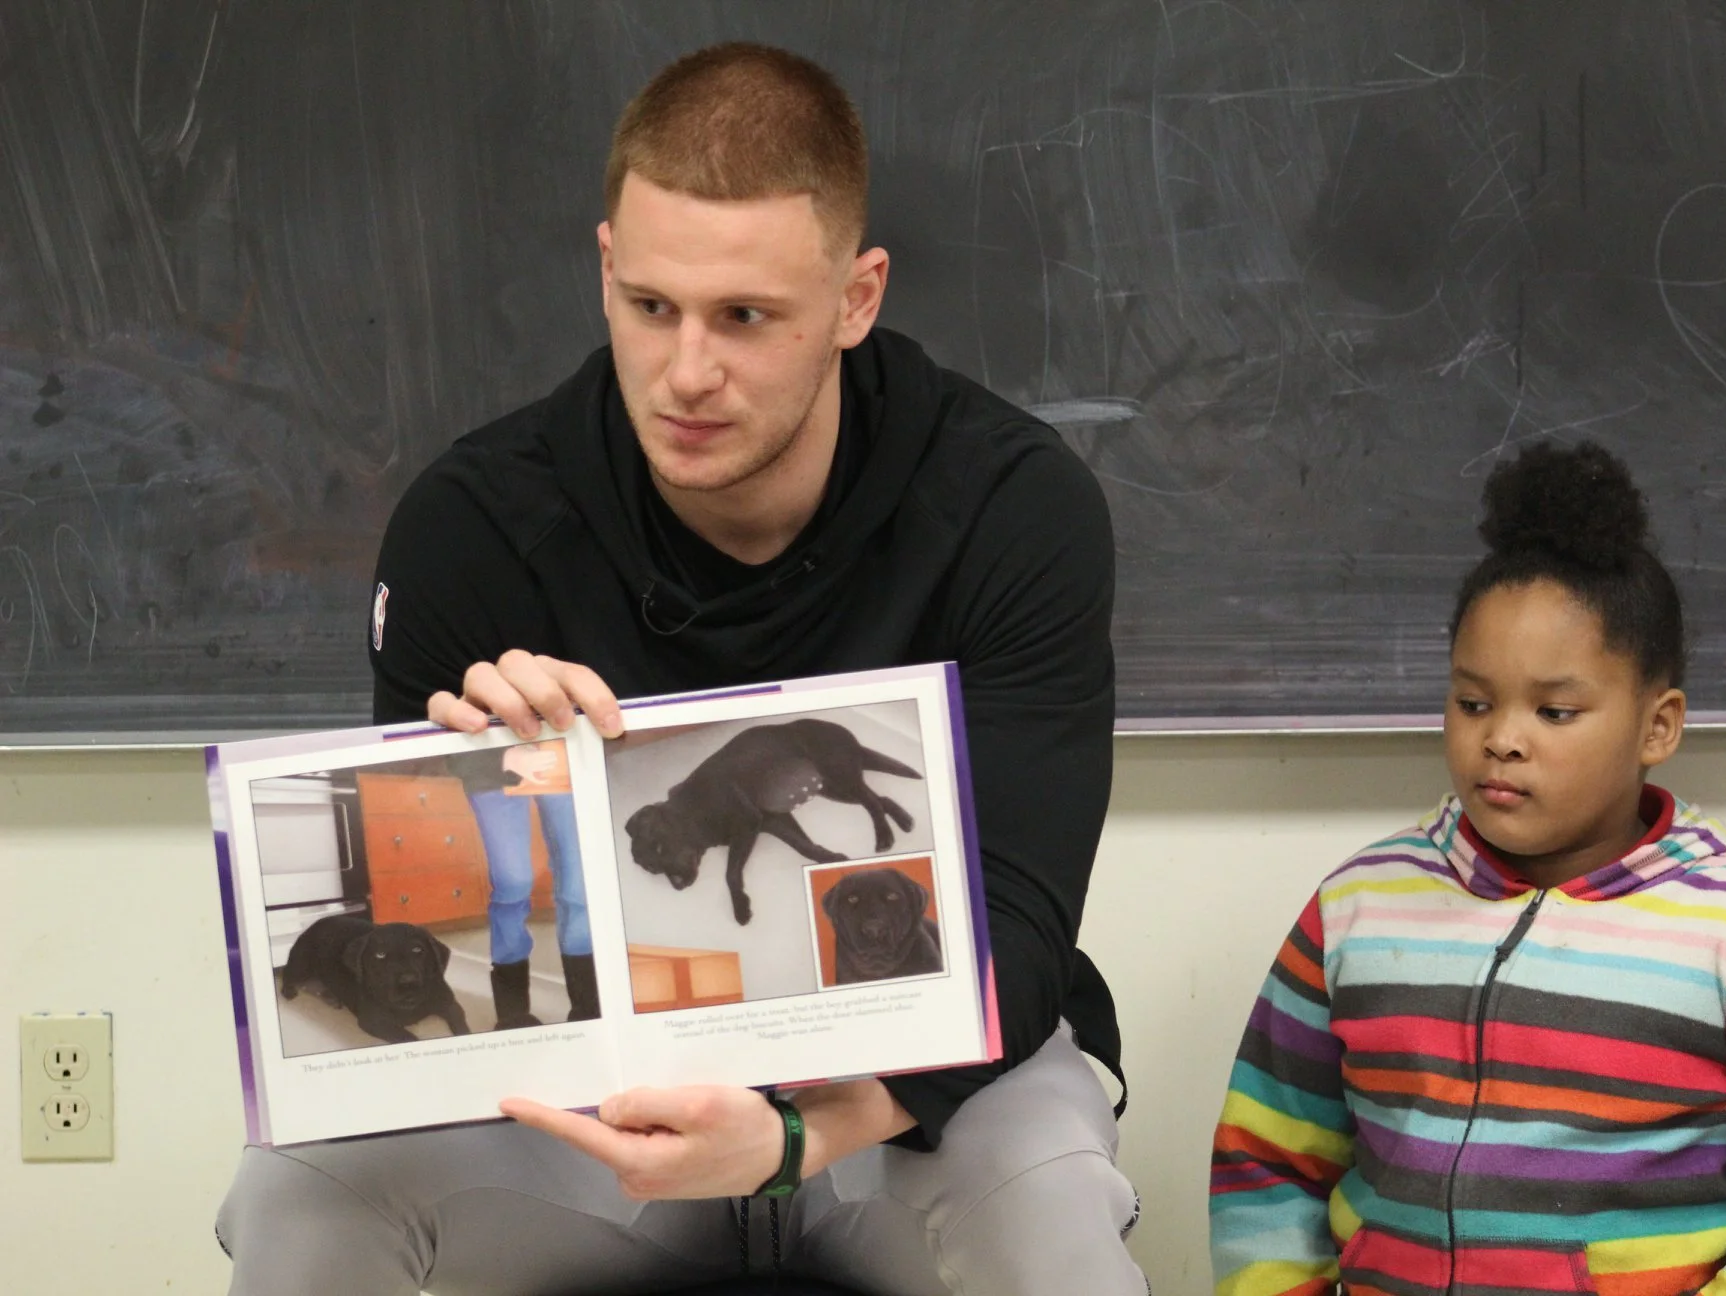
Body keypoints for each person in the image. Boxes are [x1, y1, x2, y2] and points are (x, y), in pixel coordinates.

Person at [214, 41, 1143, 1296]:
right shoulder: (474, 524)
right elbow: (429, 949)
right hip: (593, 1103)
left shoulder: (1013, 508)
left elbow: (1025, 925)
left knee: (1053, 1210)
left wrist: (801, 1135)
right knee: (297, 1192)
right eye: (651, 306)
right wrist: (478, 787)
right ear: (605, 267)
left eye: (746, 318)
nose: (687, 372)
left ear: (858, 299)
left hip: (899, 1094)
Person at [1209, 442, 1726, 1296]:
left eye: (1555, 710)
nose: (1503, 737)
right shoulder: (1357, 908)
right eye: (1473, 702)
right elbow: (1267, 1159)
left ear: (1658, 726)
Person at [442, 745, 598, 1028]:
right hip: (490, 767)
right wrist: (503, 758)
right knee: (513, 884)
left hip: (564, 761)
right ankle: (513, 1013)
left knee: (578, 888)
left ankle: (588, 1009)